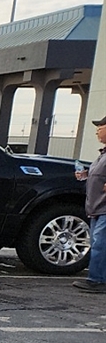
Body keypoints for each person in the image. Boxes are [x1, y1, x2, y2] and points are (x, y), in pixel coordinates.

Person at [74, 115, 106, 293]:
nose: (97, 130)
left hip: (104, 208)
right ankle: (99, 278)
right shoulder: (102, 154)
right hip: (96, 208)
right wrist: (85, 176)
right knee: (98, 243)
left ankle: (96, 280)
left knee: (101, 244)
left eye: (101, 126)